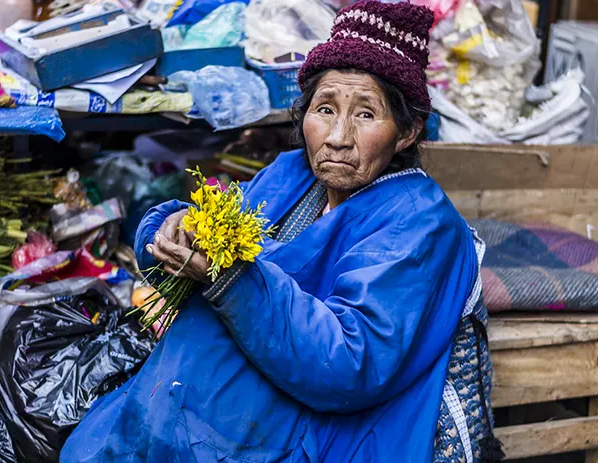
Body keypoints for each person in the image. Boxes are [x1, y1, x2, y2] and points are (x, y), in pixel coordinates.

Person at [61, 1, 501, 461]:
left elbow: (349, 364)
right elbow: (203, 230)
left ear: (407, 132)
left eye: (366, 115)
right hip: (194, 411)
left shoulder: (419, 223)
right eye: (324, 108)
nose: (337, 137)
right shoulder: (291, 174)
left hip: (300, 437)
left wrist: (230, 278)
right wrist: (170, 233)